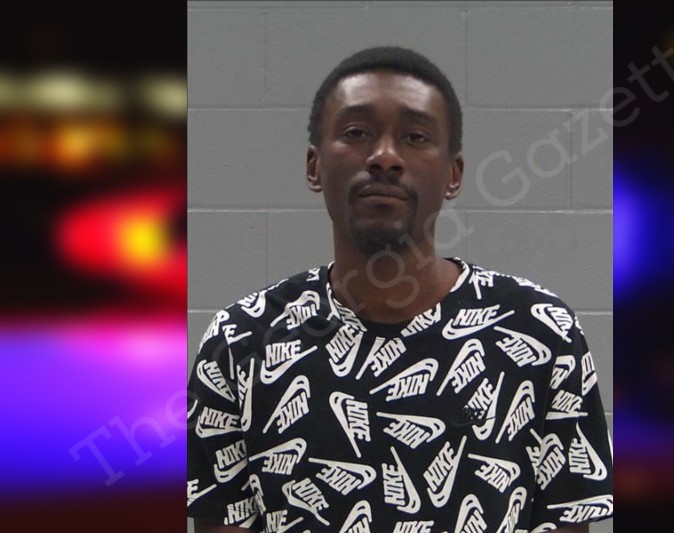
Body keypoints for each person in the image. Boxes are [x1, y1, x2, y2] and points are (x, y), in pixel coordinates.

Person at [187, 46, 613, 533]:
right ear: (314, 166)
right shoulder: (242, 340)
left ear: (453, 175)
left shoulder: (541, 333)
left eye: (415, 137)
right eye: (356, 133)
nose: (385, 157)